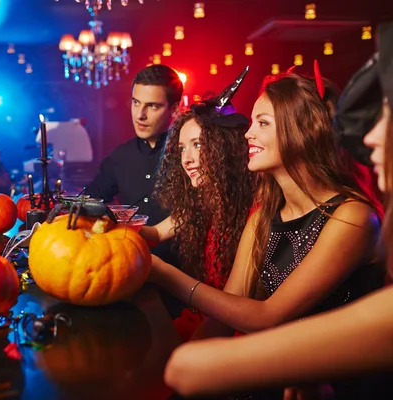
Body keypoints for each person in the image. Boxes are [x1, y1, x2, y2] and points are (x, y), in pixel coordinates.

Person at [156, 22, 393, 400]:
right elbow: (227, 309)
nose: (248, 134)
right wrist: (179, 372)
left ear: (301, 131)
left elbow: (268, 315)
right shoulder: (267, 209)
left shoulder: (351, 216)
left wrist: (158, 272)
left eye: (262, 123)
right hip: (284, 375)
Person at [139, 67, 257, 340]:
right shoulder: (202, 202)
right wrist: (106, 222)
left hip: (234, 333)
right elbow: (155, 233)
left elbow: (232, 311)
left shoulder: (254, 209)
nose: (187, 159)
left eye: (198, 145)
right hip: (204, 319)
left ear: (223, 148)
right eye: (182, 148)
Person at [84, 64, 183, 266]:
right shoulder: (120, 157)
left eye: (152, 106)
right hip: (129, 264)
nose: (140, 115)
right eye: (136, 103)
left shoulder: (190, 154)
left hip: (185, 270)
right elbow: (90, 199)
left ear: (174, 108)